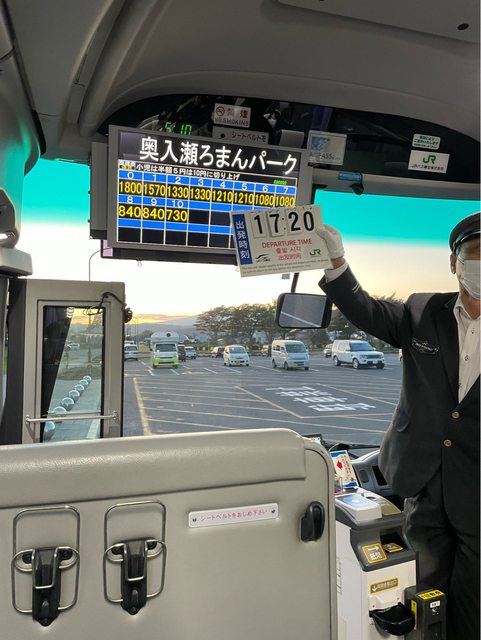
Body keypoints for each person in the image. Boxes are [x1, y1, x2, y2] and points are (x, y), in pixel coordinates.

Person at [316, 212, 480, 640]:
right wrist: (336, 264)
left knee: (474, 602)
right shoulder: (423, 310)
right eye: (476, 253)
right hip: (422, 480)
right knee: (423, 589)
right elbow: (367, 310)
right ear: (455, 263)